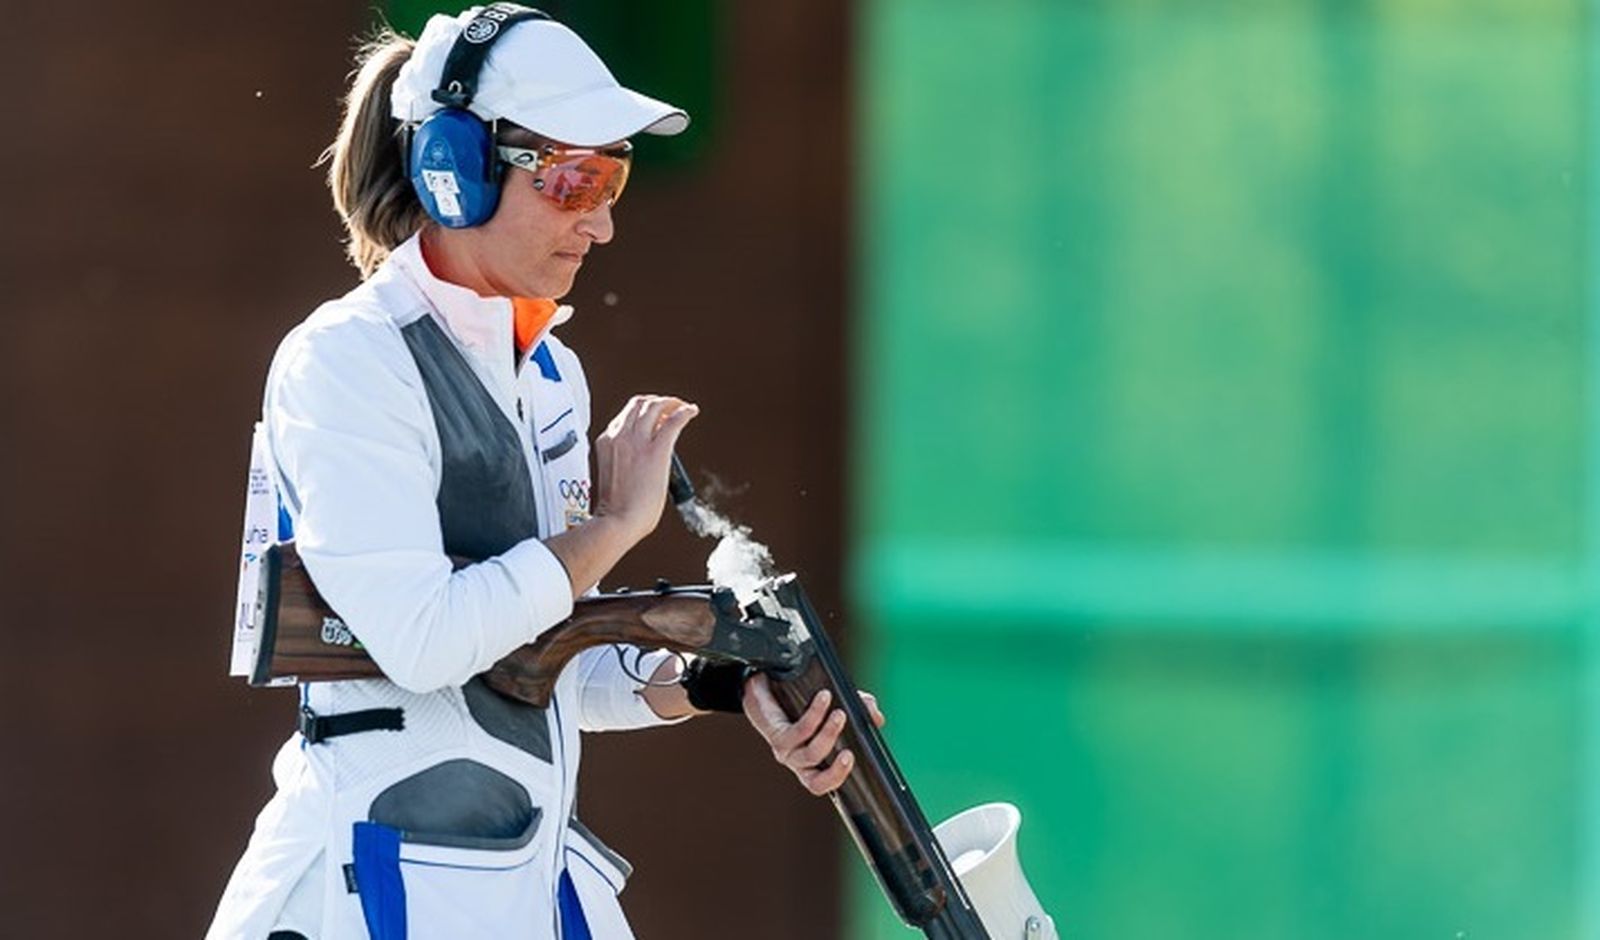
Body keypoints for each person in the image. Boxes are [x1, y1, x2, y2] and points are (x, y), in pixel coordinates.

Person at [206, 6, 881, 939]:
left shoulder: (550, 372)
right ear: (456, 170)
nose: (602, 223)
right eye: (573, 180)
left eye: (614, 179)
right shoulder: (348, 361)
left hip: (511, 879)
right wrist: (608, 533)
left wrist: (723, 683)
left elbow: (540, 661)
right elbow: (425, 641)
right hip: (365, 887)